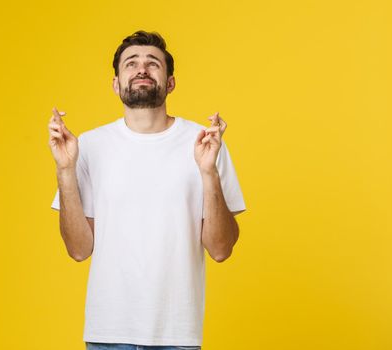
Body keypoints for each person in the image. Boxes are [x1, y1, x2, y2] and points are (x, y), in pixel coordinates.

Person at [48, 30, 246, 350]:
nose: (141, 69)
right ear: (116, 84)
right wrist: (65, 169)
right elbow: (79, 250)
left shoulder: (204, 143)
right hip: (108, 334)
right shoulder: (89, 146)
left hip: (177, 336)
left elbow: (221, 249)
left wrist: (208, 172)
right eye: (131, 64)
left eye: (153, 63)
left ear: (169, 83)